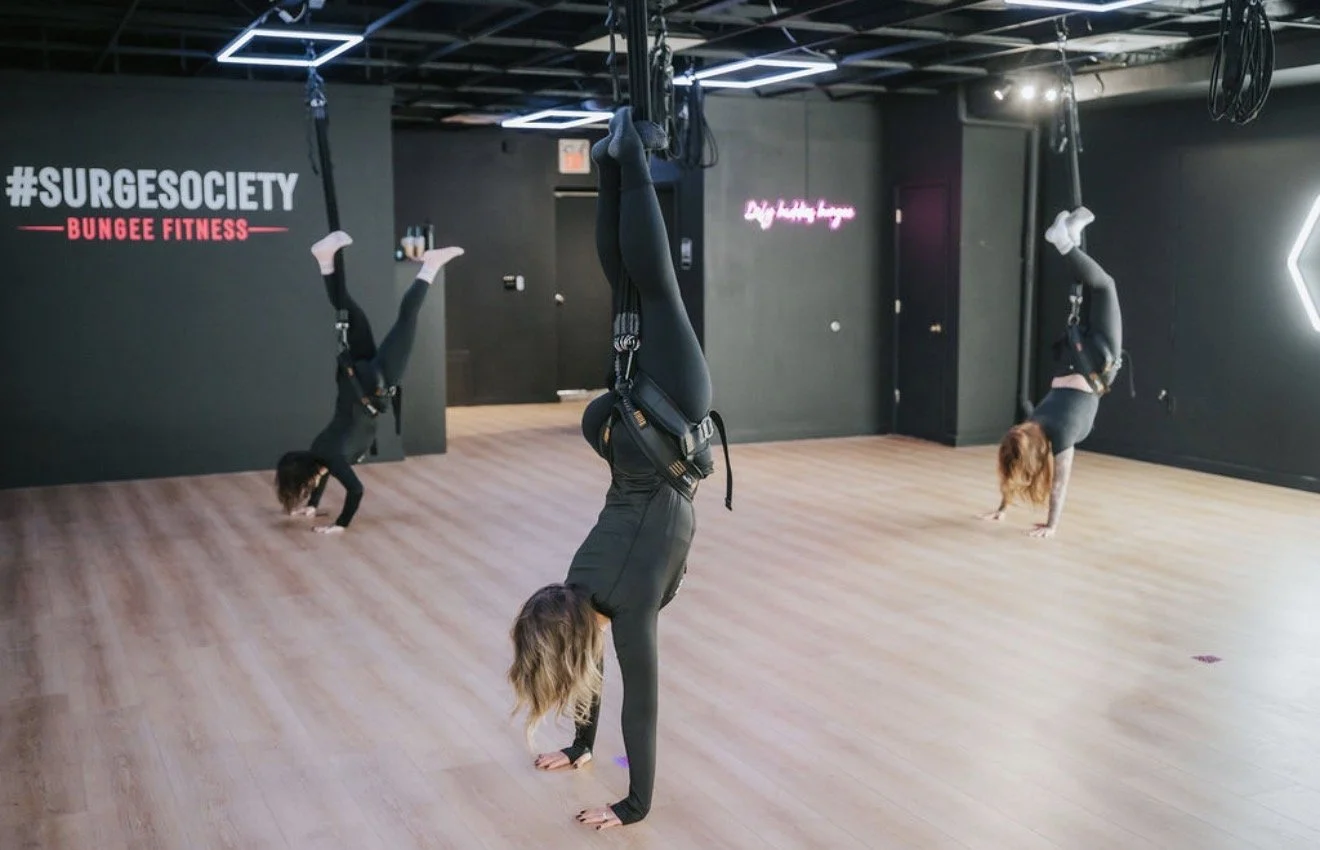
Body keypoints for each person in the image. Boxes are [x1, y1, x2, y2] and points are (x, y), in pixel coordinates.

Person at [507, 107, 714, 831]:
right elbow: (595, 675)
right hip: (633, 432)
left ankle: (624, 156)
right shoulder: (577, 586)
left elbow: (644, 708)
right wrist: (582, 746)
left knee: (651, 288)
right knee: (627, 294)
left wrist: (634, 806)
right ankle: (610, 162)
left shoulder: (616, 607)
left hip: (671, 425)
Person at [275, 231, 463, 533]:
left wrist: (340, 525)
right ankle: (324, 260)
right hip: (354, 375)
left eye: (307, 487)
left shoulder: (330, 458)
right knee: (352, 311)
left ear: (308, 475)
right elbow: (320, 476)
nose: (312, 485)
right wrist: (312, 504)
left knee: (407, 319)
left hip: (377, 383)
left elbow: (356, 491)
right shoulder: (319, 450)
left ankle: (429, 265)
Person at [981, 206, 1122, 538]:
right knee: (1092, 289)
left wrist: (1052, 526)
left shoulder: (1059, 437)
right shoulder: (1029, 424)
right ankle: (1069, 237)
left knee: (1105, 287)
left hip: (1096, 368)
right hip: (1069, 363)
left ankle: (1063, 241)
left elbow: (1059, 484)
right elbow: (1012, 461)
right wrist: (1001, 509)